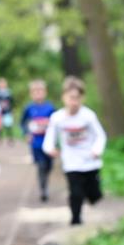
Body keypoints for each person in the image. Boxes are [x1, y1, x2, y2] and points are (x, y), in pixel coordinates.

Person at [42, 76, 107, 226]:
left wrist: (97, 150)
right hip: (71, 162)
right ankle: (75, 220)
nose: (74, 102)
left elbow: (100, 136)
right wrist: (50, 149)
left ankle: (91, 195)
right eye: (71, 97)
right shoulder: (57, 118)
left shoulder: (88, 116)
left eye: (77, 98)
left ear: (82, 98)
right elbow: (49, 139)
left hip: (90, 161)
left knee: (94, 195)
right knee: (75, 193)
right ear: (63, 97)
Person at [20, 79, 57, 202]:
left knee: (48, 166)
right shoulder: (29, 108)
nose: (38, 94)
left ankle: (45, 181)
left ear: (45, 92)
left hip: (49, 143)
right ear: (31, 93)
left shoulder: (50, 108)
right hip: (36, 143)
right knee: (41, 166)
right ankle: (43, 189)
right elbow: (23, 123)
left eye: (40, 91)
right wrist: (26, 133)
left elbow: (57, 123)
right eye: (35, 91)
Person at [0, 77, 15, 143]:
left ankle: (10, 139)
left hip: (7, 111)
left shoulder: (9, 92)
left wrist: (12, 110)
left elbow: (12, 102)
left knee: (8, 125)